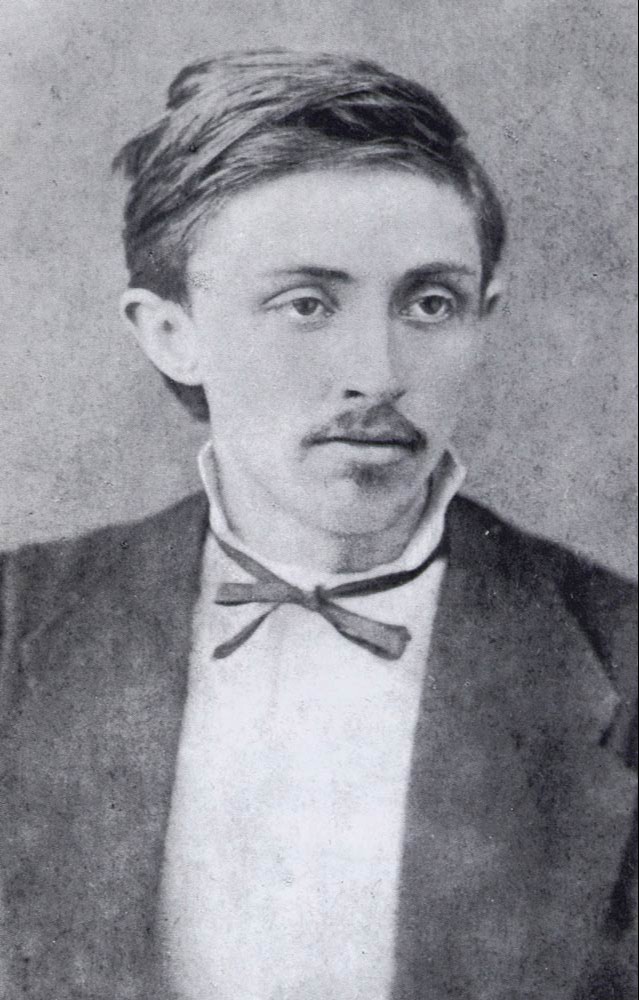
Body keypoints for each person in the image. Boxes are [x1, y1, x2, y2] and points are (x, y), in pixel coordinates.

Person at [0, 49, 635, 1000]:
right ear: (172, 333)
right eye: (305, 304)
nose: (376, 373)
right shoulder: (17, 625)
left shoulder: (619, 656)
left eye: (430, 303)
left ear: (482, 318)